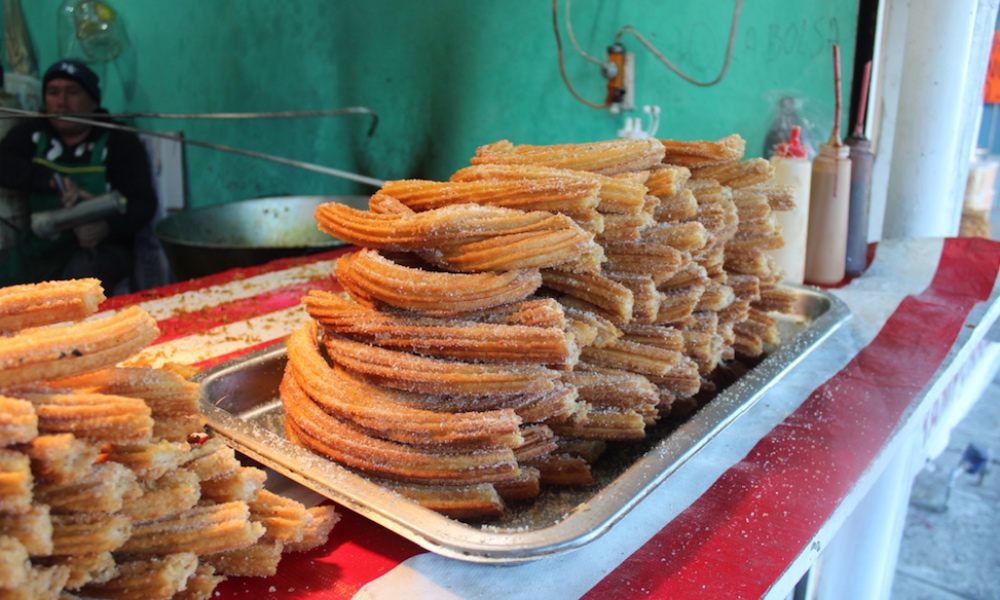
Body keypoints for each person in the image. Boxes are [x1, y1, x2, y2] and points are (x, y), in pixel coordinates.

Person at [0, 59, 157, 292]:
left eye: (72, 92)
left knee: (81, 283)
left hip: (100, 246)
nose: (61, 102)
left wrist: (107, 228)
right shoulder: (32, 133)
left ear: (93, 101)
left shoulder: (118, 140)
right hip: (43, 244)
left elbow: (143, 203)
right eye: (53, 93)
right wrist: (49, 180)